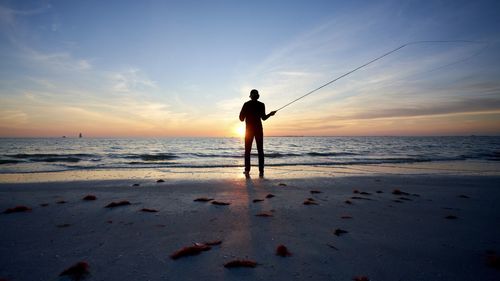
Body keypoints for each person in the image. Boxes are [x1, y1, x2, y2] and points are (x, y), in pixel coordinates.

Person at [239, 89, 276, 177]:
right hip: (259, 130)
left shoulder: (246, 104)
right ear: (258, 96)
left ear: (250, 96)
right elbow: (263, 118)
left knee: (247, 151)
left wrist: (245, 114)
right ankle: (261, 171)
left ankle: (247, 170)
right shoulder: (261, 104)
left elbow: (241, 118)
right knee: (260, 151)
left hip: (249, 131)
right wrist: (270, 114)